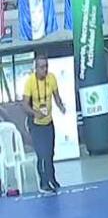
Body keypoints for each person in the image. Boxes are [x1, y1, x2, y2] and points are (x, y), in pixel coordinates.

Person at [20, 53, 66, 193]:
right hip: (35, 124)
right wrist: (35, 113)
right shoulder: (30, 82)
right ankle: (43, 182)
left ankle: (52, 179)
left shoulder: (51, 78)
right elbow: (24, 105)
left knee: (50, 152)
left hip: (48, 122)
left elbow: (56, 96)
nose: (44, 70)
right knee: (42, 154)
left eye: (46, 66)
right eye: (41, 67)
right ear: (36, 68)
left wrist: (60, 106)